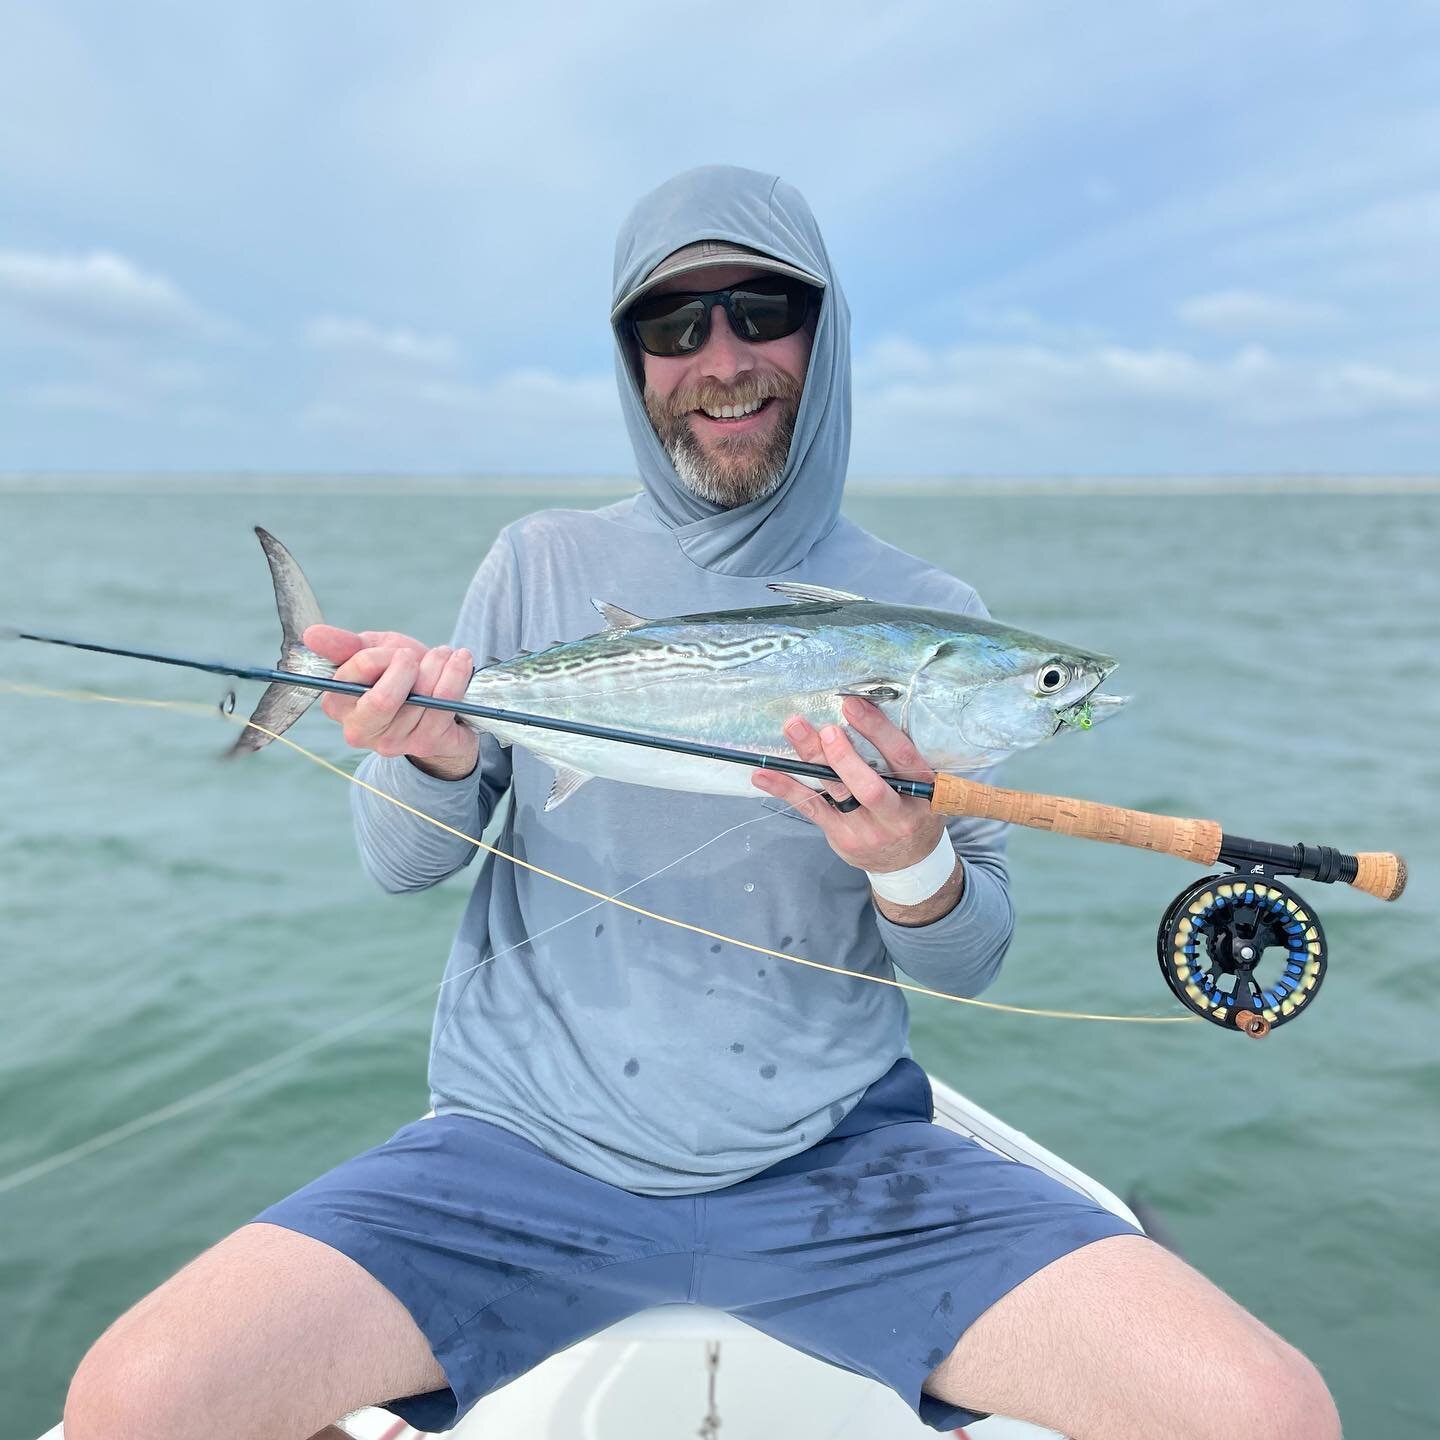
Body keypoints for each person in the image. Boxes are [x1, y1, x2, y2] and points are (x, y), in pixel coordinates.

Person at [65, 165, 1339, 1440]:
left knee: (1267, 1415)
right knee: (135, 1404)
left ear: (823, 333)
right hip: (519, 1153)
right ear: (633, 363)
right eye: (672, 326)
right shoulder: (540, 559)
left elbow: (971, 957)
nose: (719, 358)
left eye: (760, 309)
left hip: (847, 1166)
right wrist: (435, 758)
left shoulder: (937, 613)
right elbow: (400, 867)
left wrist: (911, 865)